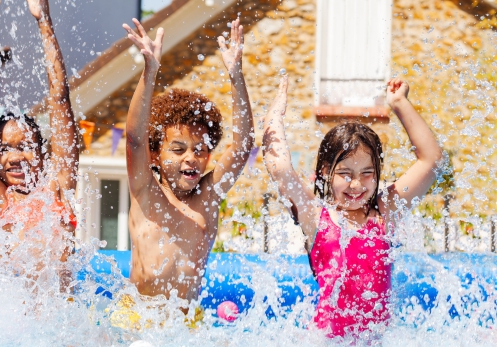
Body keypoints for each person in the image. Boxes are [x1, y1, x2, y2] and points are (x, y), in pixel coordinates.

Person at [262, 76, 442, 337]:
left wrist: (400, 103)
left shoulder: (385, 211)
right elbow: (278, 167)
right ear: (325, 172)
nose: (357, 184)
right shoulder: (316, 217)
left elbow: (432, 160)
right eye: (345, 173)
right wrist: (275, 114)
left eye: (368, 173)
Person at [120, 17, 254, 313]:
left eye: (200, 150)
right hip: (136, 319)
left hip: (184, 326)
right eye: (178, 149)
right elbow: (134, 140)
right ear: (155, 155)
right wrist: (149, 73)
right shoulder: (145, 191)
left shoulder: (208, 197)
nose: (190, 157)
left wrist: (236, 76)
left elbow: (243, 145)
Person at [0, 0, 79, 277]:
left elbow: (59, 98)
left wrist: (44, 22)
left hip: (62, 316)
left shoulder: (58, 186)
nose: (16, 157)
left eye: (25, 147)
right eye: (4, 149)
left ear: (43, 154)